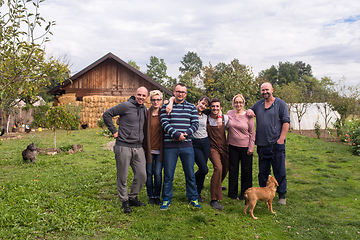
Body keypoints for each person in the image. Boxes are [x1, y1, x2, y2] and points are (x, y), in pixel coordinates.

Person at [103, 86, 148, 214]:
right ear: (135, 94)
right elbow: (107, 114)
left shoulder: (144, 108)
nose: (141, 97)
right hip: (123, 146)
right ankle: (124, 201)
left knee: (142, 175)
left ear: (146, 97)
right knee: (122, 176)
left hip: (138, 147)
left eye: (144, 96)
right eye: (139, 95)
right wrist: (114, 131)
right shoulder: (125, 106)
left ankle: (133, 197)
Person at [248, 82, 290, 205]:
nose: (265, 92)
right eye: (262, 90)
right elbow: (250, 110)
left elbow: (286, 122)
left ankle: (281, 194)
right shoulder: (259, 104)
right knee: (263, 172)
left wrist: (281, 139)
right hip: (262, 144)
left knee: (279, 171)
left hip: (276, 144)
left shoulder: (280, 104)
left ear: (272, 89)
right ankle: (263, 194)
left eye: (267, 89)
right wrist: (250, 110)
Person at [160, 82, 200, 210]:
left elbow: (195, 124)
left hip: (187, 145)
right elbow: (164, 123)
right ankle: (166, 198)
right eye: (178, 91)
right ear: (174, 92)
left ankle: (193, 197)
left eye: (183, 92)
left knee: (190, 173)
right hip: (170, 146)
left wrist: (186, 134)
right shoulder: (166, 107)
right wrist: (176, 134)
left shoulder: (191, 107)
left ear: (186, 94)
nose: (180, 94)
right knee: (168, 174)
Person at [226, 94, 255, 200]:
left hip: (245, 147)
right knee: (233, 170)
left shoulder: (248, 115)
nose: (238, 104)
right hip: (232, 146)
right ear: (233, 103)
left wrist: (251, 147)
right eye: (236, 102)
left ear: (243, 103)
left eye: (240, 102)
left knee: (246, 171)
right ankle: (232, 193)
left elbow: (252, 133)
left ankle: (245, 194)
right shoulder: (229, 113)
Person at [207, 98, 229, 210]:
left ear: (220, 108)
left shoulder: (226, 118)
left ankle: (216, 185)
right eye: (213, 106)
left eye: (217, 106)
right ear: (210, 108)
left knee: (226, 168)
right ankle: (214, 199)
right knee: (218, 168)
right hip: (212, 148)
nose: (215, 108)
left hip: (224, 147)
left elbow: (231, 130)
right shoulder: (206, 117)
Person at [143, 90, 164, 206]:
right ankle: (151, 195)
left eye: (158, 100)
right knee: (149, 172)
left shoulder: (165, 113)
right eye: (153, 100)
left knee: (158, 173)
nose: (156, 102)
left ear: (161, 100)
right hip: (149, 148)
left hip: (160, 149)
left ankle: (157, 194)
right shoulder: (146, 113)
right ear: (150, 101)